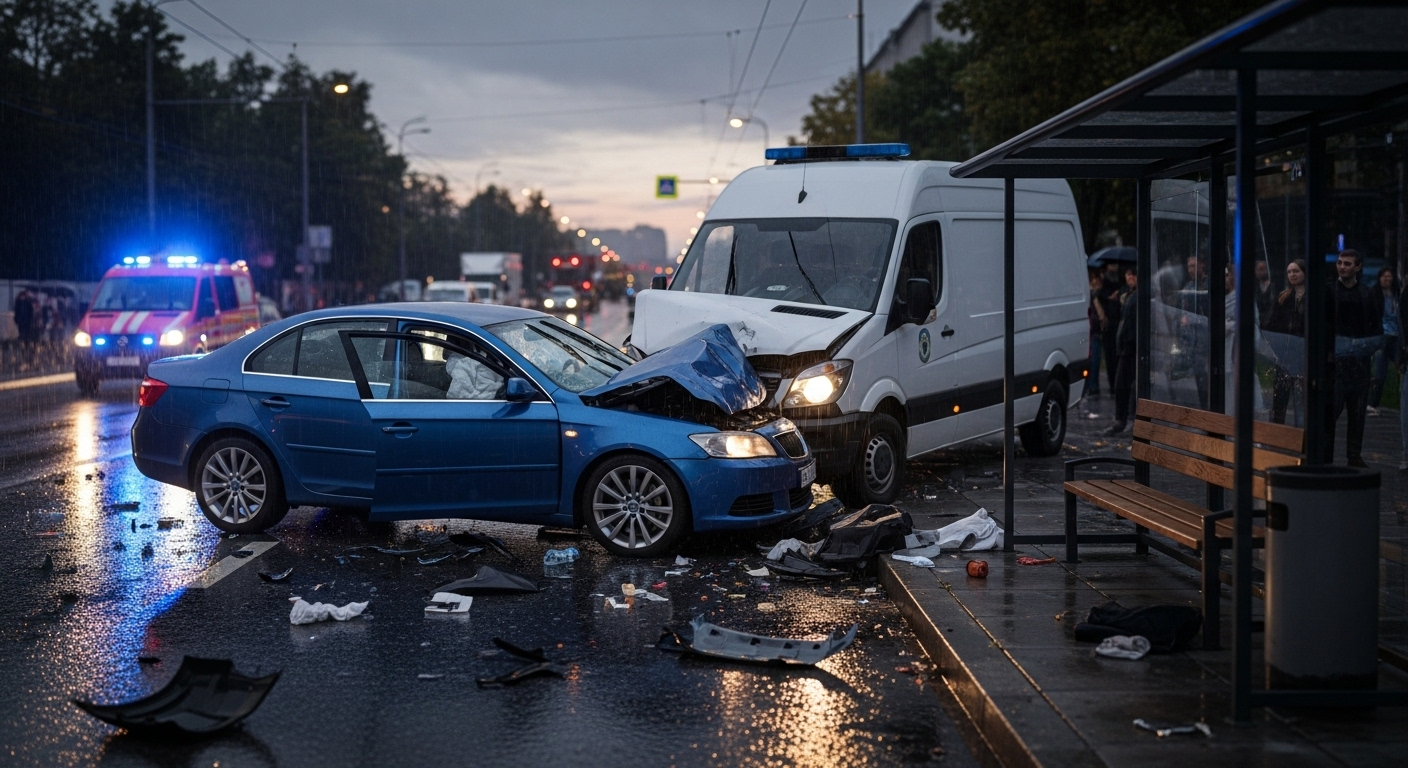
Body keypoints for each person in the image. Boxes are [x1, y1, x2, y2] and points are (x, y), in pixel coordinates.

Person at [1326, 249, 1381, 467]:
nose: (1342, 267)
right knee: (1330, 412)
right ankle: (1325, 457)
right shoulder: (1329, 291)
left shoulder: (1367, 293)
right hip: (1335, 361)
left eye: (1347, 263)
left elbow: (1376, 326)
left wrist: (1367, 348)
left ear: (1357, 267)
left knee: (1357, 414)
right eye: (1340, 262)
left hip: (1358, 362)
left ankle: (1354, 455)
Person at [1265, 259, 1307, 424]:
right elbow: (1273, 324)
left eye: (1296, 271)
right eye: (1289, 272)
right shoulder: (1283, 297)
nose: (1292, 275)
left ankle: (1302, 432)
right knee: (1280, 398)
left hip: (1302, 354)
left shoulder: (1312, 297)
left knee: (1300, 398)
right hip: (1285, 355)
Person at [1104, 267, 1139, 435]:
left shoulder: (1138, 295)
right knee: (1122, 385)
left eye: (1132, 275)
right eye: (1127, 274)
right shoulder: (1127, 294)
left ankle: (1127, 419)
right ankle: (1122, 419)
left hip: (1132, 344)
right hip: (1125, 343)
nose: (1129, 277)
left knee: (1127, 385)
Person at [1367, 266, 1400, 416]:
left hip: (1395, 335)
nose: (1387, 279)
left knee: (1401, 366)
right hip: (1382, 335)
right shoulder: (1375, 294)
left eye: (1389, 276)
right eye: (1384, 276)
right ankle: (1373, 403)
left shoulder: (1396, 294)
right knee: (1380, 371)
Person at [1086, 274, 1107, 397]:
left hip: (1094, 332)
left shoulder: (1096, 296)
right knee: (1094, 360)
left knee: (1094, 360)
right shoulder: (1094, 296)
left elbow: (1102, 317)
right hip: (1093, 332)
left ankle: (1093, 385)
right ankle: (1093, 385)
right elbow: (1101, 316)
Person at [1255, 259, 1276, 326]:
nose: (1263, 272)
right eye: (1260, 269)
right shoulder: (1254, 286)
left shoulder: (1273, 285)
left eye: (1265, 269)